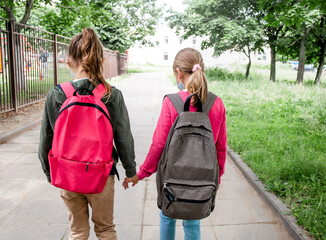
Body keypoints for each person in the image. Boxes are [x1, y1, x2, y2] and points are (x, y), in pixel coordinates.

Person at [38, 28, 136, 240]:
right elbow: (124, 137)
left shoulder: (56, 94)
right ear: (100, 61)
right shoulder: (111, 94)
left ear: (69, 61)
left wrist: (49, 172)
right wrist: (130, 169)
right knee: (106, 229)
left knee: (77, 231)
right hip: (101, 176)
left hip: (67, 174)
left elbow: (46, 140)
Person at [123, 48, 227, 240]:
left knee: (167, 215)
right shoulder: (217, 104)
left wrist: (141, 173)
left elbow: (158, 145)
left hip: (171, 175)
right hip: (202, 177)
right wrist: (217, 177)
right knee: (193, 222)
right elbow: (220, 147)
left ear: (179, 73)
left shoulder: (172, 102)